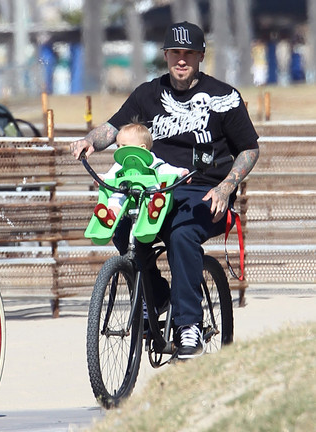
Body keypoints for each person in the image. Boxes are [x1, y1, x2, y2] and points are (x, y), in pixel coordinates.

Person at [71, 21, 259, 359]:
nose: (182, 60)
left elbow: (249, 148)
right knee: (123, 223)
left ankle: (189, 325)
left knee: (180, 234)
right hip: (154, 189)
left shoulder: (224, 96)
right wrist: (89, 141)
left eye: (189, 53)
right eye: (175, 53)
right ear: (166, 56)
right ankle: (157, 296)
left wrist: (225, 186)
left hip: (202, 191)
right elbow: (114, 128)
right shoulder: (148, 93)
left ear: (201, 55)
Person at [95, 122, 189, 228]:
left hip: (146, 194)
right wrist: (102, 178)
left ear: (142, 147)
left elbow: (165, 169)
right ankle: (111, 215)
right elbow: (112, 175)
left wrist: (181, 172)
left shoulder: (152, 161)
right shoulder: (121, 164)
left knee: (155, 190)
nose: (119, 149)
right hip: (128, 194)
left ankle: (154, 207)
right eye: (118, 146)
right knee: (116, 196)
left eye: (124, 145)